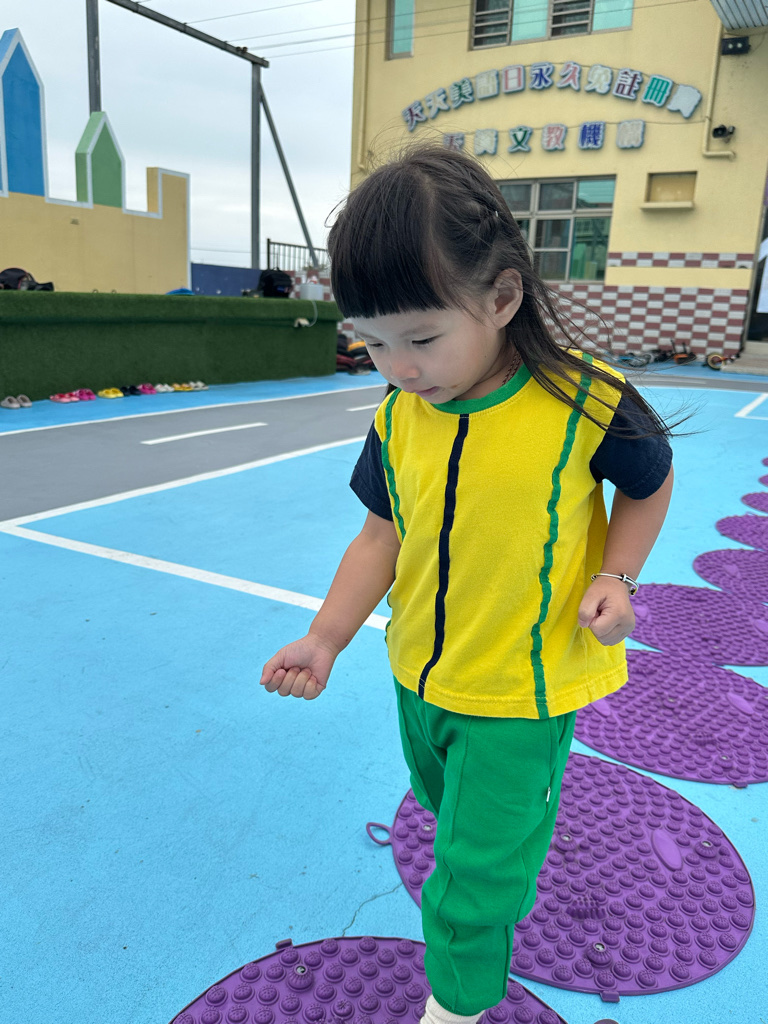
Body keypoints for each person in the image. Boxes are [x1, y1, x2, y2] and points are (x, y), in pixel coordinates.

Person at [260, 144, 676, 1024]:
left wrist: (617, 574)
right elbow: (380, 536)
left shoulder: (584, 400)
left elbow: (649, 481)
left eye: (421, 338)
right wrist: (326, 637)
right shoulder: (397, 418)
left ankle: (458, 1002)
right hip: (420, 678)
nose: (399, 367)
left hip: (520, 692)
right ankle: (509, 847)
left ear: (502, 298)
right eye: (372, 342)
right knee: (445, 807)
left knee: (470, 876)